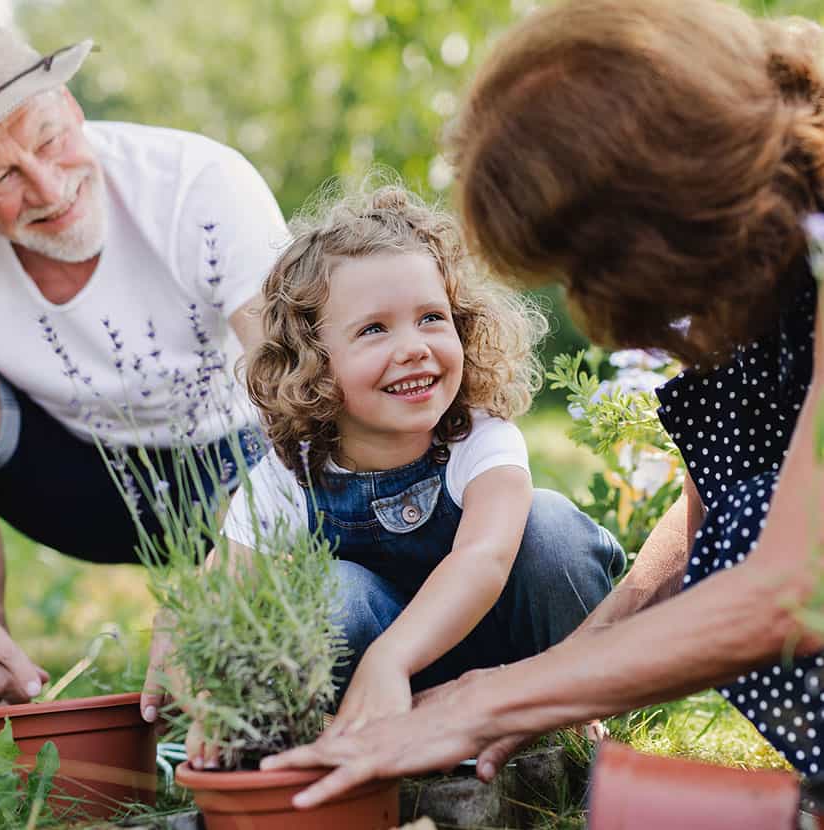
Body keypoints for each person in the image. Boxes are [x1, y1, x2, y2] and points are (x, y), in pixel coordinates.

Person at [260, 0, 824, 807]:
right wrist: (554, 678)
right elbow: (728, 510)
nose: (591, 298)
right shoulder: (759, 266)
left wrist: (492, 699)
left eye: (581, 264)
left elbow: (793, 580)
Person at [0, 3, 286, 713]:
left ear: (67, 102)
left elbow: (308, 402)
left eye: (48, 139)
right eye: (1, 179)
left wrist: (237, 561)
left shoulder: (199, 186)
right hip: (66, 478)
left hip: (235, 463)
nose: (49, 188)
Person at [171, 184, 624, 768]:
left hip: (513, 664)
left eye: (431, 318)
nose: (413, 347)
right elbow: (228, 589)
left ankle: (575, 723)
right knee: (323, 592)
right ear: (313, 361)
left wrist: (393, 656)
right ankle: (359, 742)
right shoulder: (291, 472)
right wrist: (214, 694)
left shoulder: (480, 439)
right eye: (374, 330)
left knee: (551, 526)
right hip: (382, 693)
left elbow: (483, 559)